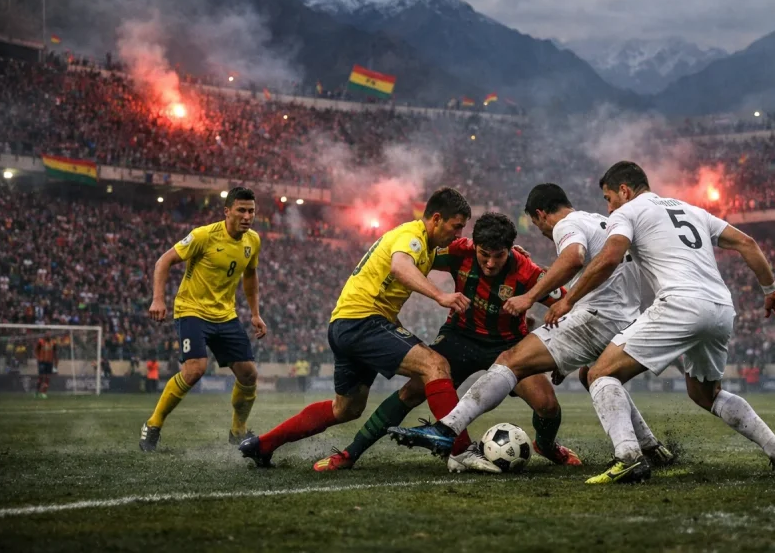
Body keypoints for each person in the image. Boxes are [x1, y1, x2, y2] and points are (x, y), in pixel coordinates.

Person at [545, 161, 775, 484]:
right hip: (721, 307)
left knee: (599, 373)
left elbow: (609, 258)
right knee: (705, 394)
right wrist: (772, 291)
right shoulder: (693, 210)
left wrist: (568, 299)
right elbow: (746, 243)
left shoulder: (627, 212)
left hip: (680, 303)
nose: (608, 207)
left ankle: (628, 457)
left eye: (608, 198)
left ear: (624, 190)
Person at [388, 183, 675, 470]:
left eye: (538, 226)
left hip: (594, 317)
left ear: (540, 215)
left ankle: (446, 430)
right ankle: (647, 447)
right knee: (598, 375)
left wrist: (531, 297)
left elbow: (573, 258)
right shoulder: (601, 222)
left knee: (510, 361)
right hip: (624, 319)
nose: (543, 233)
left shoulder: (567, 225)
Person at [316, 212, 581, 473]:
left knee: (546, 404)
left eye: (498, 256)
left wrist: (561, 354)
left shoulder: (528, 271)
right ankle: (351, 453)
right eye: (483, 254)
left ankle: (546, 446)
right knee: (412, 391)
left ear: (510, 250)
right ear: (474, 245)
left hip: (508, 346)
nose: (489, 263)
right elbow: (417, 259)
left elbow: (567, 305)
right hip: (459, 337)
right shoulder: (458, 252)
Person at [240, 188, 484, 470]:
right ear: (437, 219)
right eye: (455, 227)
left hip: (345, 325)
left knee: (346, 409)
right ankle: (462, 448)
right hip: (363, 322)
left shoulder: (425, 245)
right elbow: (400, 267)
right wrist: (440, 296)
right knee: (435, 365)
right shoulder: (412, 237)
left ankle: (263, 444)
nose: (457, 234)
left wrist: (505, 250)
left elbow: (461, 253)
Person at [139, 186, 268, 451]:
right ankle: (153, 425)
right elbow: (163, 261)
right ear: (227, 211)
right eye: (241, 210)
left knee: (248, 374)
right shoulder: (203, 236)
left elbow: (250, 276)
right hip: (192, 310)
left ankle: (237, 431)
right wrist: (158, 298)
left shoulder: (252, 240)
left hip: (225, 315)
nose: (247, 216)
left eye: (251, 211)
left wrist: (255, 313)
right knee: (195, 370)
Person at [34, 334, 58, 399]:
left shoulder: (53, 342)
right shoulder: (40, 342)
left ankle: (44, 393)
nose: (48, 335)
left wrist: (56, 364)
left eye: (49, 334)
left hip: (49, 362)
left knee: (47, 378)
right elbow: (36, 350)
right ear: (45, 335)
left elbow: (55, 353)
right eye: (47, 334)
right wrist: (38, 358)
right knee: (41, 377)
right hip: (42, 362)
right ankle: (37, 391)